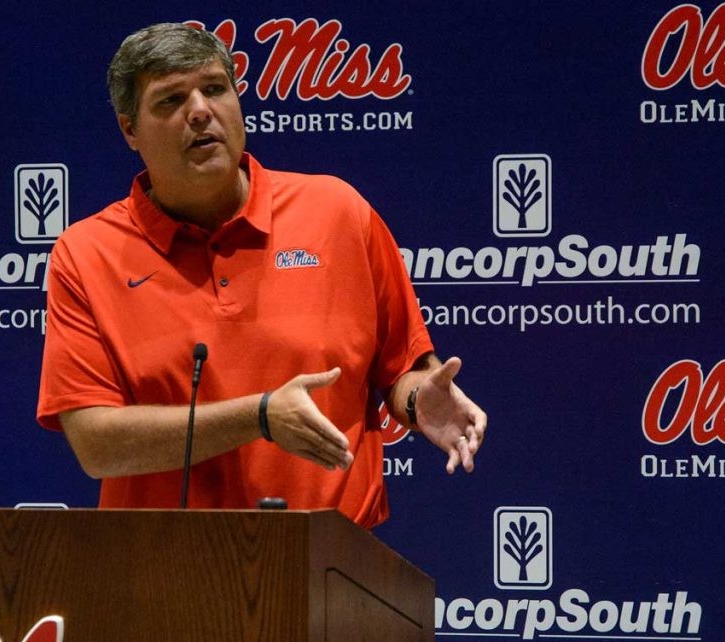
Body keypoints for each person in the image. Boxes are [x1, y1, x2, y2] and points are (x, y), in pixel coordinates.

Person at [36, 23, 486, 528]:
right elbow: (98, 444)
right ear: (129, 131)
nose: (200, 111)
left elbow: (406, 368)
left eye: (214, 89)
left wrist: (416, 398)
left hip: (332, 570)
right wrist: (260, 417)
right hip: (164, 575)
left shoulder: (338, 212)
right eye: (170, 101)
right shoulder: (87, 253)